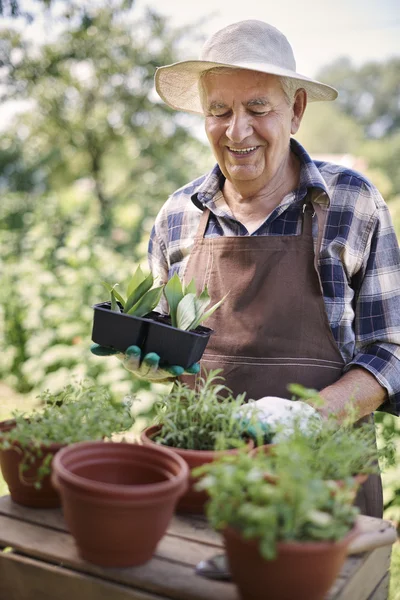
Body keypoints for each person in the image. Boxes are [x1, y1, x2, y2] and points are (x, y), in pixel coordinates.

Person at [92, 20, 400, 517]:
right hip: (202, 478)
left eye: (258, 108)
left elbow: (393, 348)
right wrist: (149, 360)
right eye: (219, 110)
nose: (238, 131)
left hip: (321, 487)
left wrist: (316, 416)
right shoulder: (178, 215)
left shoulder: (352, 203)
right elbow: (170, 344)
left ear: (295, 110)